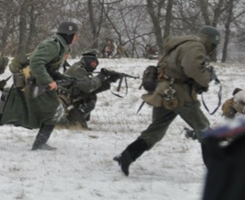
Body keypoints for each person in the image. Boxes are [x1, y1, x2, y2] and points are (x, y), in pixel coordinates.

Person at [114, 25, 220, 176]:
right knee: (203, 128)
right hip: (180, 94)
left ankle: (127, 155)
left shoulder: (181, 43)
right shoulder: (196, 46)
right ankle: (217, 171)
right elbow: (192, 69)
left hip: (164, 90)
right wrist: (207, 77)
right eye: (214, 45)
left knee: (156, 129)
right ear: (210, 41)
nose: (213, 50)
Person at [0, 21, 78, 150]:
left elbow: (49, 68)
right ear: (69, 34)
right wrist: (49, 81)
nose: (76, 38)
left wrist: (66, 78)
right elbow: (36, 62)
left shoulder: (60, 46)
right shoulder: (52, 45)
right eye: (75, 35)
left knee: (36, 112)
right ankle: (39, 143)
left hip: (39, 82)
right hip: (36, 83)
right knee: (53, 111)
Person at [58, 49, 121, 128]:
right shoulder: (78, 70)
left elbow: (91, 88)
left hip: (69, 98)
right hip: (63, 100)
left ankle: (76, 122)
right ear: (87, 61)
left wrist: (110, 80)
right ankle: (75, 124)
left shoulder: (81, 69)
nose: (94, 65)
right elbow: (88, 87)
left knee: (90, 96)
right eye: (93, 63)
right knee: (89, 99)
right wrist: (101, 76)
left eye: (96, 63)